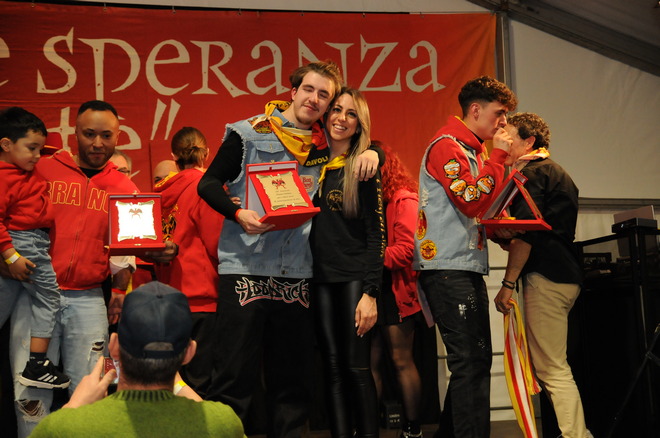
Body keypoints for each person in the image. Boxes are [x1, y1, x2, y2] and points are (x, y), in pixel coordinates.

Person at [198, 60, 380, 437]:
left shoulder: (319, 147)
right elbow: (208, 183)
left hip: (295, 275)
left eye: (323, 95)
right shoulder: (248, 132)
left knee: (293, 387)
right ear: (293, 91)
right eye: (309, 90)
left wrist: (374, 151)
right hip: (245, 269)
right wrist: (237, 213)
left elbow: (354, 141)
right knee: (233, 379)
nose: (314, 99)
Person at [3, 100, 177, 437]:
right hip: (34, 293)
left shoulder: (125, 188)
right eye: (89, 134)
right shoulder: (42, 168)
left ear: (118, 136)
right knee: (29, 390)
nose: (97, 143)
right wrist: (6, 260)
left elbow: (128, 249)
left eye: (106, 135)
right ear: (75, 133)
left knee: (94, 386)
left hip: (88, 300)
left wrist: (131, 276)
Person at [413, 76, 517, 438]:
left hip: (460, 266)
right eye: (499, 113)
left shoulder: (473, 151)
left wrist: (502, 231)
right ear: (475, 110)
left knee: (473, 362)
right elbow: (470, 200)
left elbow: (477, 209)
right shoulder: (447, 146)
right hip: (447, 268)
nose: (503, 122)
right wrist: (499, 158)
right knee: (470, 363)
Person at [29, 281, 246, 438]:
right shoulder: (222, 423)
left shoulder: (66, 427)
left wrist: (74, 405)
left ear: (114, 346)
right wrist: (182, 388)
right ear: (189, 353)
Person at [493, 113, 591, 438]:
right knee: (552, 366)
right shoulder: (556, 172)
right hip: (565, 274)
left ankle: (576, 435)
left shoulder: (531, 174)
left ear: (529, 141)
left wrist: (507, 284)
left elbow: (528, 235)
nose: (503, 141)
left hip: (546, 276)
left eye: (509, 135)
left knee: (552, 368)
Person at [309, 88, 384, 438]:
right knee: (332, 369)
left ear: (359, 124)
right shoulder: (310, 163)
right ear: (325, 115)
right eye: (336, 110)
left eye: (351, 113)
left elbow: (377, 235)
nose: (341, 118)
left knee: (357, 368)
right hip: (317, 278)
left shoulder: (365, 166)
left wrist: (371, 293)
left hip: (355, 278)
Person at [0, 107, 70, 390]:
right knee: (50, 296)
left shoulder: (22, 171)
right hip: (24, 242)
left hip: (32, 241)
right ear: (6, 144)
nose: (37, 155)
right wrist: (11, 255)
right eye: (32, 148)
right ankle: (37, 364)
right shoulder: (4, 176)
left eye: (40, 149)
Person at [154, 126, 224, 398]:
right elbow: (216, 243)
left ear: (174, 156)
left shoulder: (160, 193)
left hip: (169, 298)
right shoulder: (207, 187)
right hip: (203, 298)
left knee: (173, 383)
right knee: (201, 384)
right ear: (207, 153)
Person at [369, 143, 423, 438]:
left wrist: (365, 257)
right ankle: (367, 429)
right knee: (369, 364)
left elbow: (406, 252)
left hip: (396, 290)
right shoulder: (370, 201)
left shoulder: (404, 199)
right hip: (371, 289)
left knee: (401, 360)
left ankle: (413, 430)